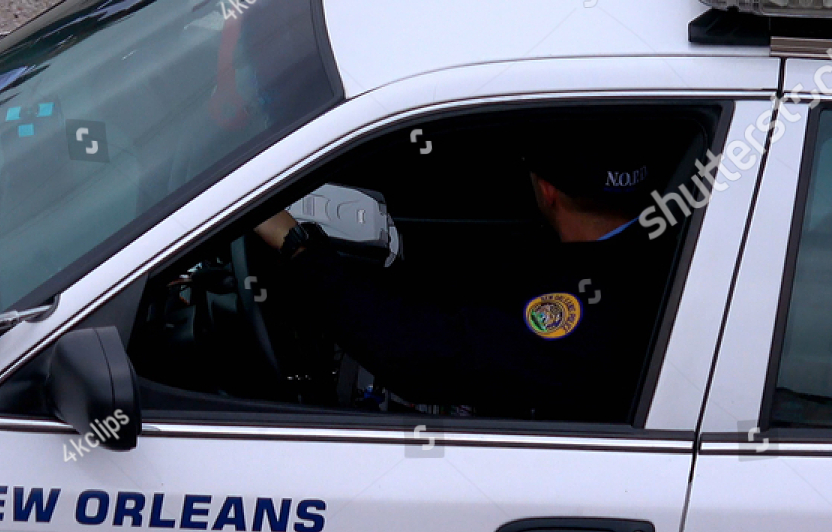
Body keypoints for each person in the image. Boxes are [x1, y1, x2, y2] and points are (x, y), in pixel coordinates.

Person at [252, 133, 677, 422]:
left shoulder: (576, 313)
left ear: (547, 190)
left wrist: (298, 245)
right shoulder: (657, 249)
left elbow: (415, 355)